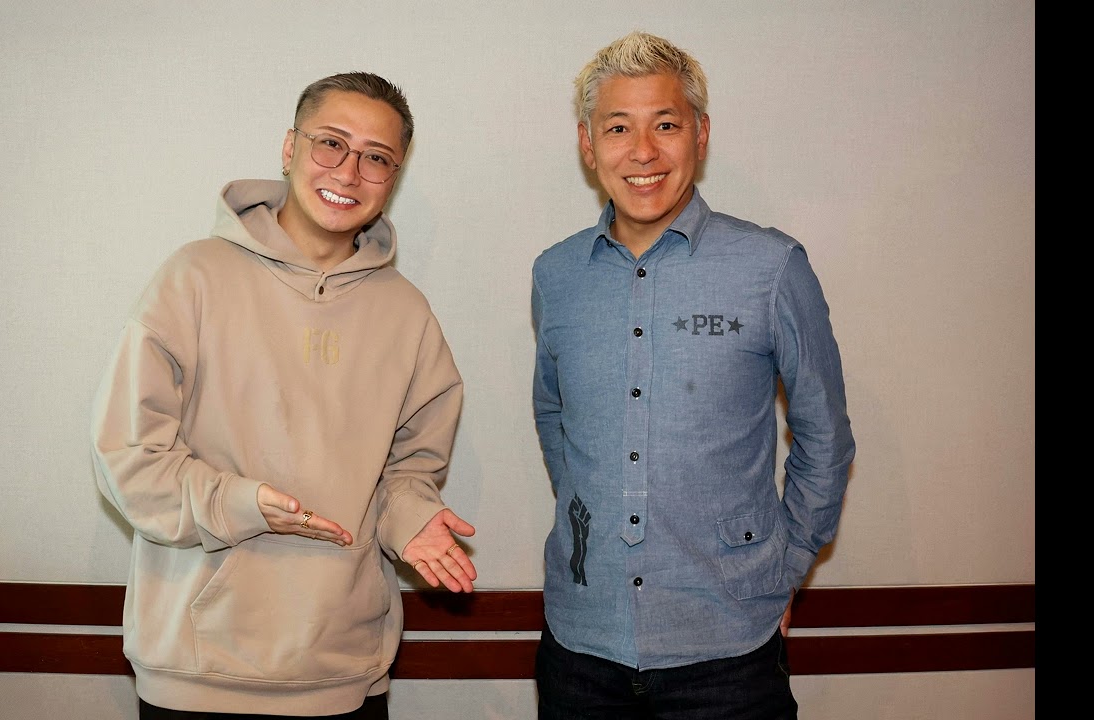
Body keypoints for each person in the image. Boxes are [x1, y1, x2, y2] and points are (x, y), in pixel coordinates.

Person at [90, 71, 477, 720]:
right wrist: (242, 504)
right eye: (331, 143)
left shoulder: (406, 312)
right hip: (196, 671)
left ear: (394, 175)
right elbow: (127, 457)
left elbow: (409, 468)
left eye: (376, 157)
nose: (349, 171)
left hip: (343, 673)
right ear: (290, 146)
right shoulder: (193, 278)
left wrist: (410, 515)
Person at [530, 31, 856, 719]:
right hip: (580, 651)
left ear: (700, 135)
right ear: (588, 145)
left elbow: (825, 435)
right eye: (618, 127)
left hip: (728, 658)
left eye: (666, 124)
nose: (642, 151)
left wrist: (787, 564)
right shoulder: (555, 275)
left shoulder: (772, 268)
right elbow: (556, 419)